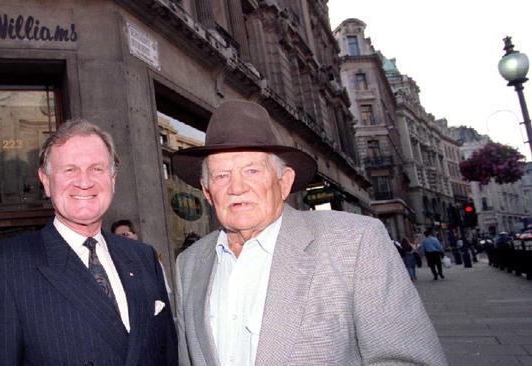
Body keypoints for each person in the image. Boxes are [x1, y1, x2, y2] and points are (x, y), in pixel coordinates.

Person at [171, 100, 446, 366]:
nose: (237, 187)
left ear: (284, 182)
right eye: (221, 176)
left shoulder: (356, 243)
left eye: (252, 170)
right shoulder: (189, 264)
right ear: (207, 192)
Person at [0, 119, 177, 366]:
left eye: (97, 169)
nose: (84, 181)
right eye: (69, 170)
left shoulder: (144, 258)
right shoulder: (3, 267)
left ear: (113, 179)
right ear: (46, 181)